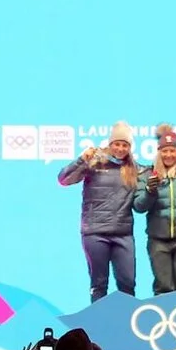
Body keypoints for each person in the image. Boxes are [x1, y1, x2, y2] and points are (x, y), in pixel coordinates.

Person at [58, 123, 143, 303]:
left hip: (123, 234)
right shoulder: (93, 163)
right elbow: (64, 179)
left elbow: (157, 174)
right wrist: (81, 159)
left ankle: (127, 326)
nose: (120, 149)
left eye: (125, 145)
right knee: (99, 284)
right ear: (110, 143)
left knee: (127, 283)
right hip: (95, 233)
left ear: (130, 147)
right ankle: (97, 327)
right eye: (117, 144)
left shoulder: (135, 169)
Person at [134, 132, 176, 296]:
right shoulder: (147, 175)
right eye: (165, 151)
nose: (169, 155)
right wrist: (150, 190)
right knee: (163, 287)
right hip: (158, 240)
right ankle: (163, 321)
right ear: (158, 152)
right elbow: (139, 206)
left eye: (172, 151)